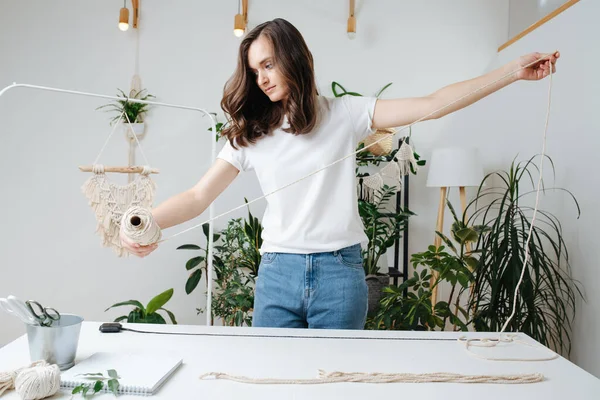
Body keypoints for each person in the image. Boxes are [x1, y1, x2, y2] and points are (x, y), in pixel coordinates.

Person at [120, 18, 559, 330]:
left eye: (268, 64)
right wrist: (151, 221)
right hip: (277, 275)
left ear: (295, 58)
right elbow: (199, 197)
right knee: (271, 385)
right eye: (254, 71)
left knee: (336, 385)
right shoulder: (249, 134)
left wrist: (510, 72)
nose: (262, 79)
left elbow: (430, 104)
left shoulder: (346, 113)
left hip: (339, 274)